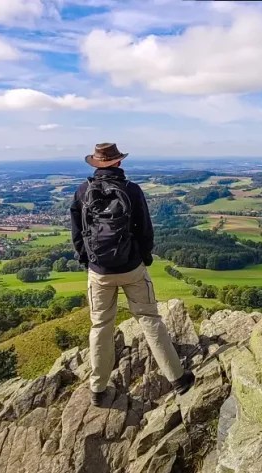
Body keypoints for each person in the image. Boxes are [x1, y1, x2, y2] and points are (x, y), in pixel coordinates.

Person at [71, 142, 195, 407]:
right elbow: (145, 228)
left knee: (101, 326)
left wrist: (88, 260)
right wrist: (144, 257)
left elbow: (77, 233)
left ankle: (98, 389)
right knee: (150, 319)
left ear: (96, 164)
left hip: (99, 272)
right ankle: (178, 380)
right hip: (132, 268)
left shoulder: (83, 191)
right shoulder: (132, 190)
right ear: (118, 162)